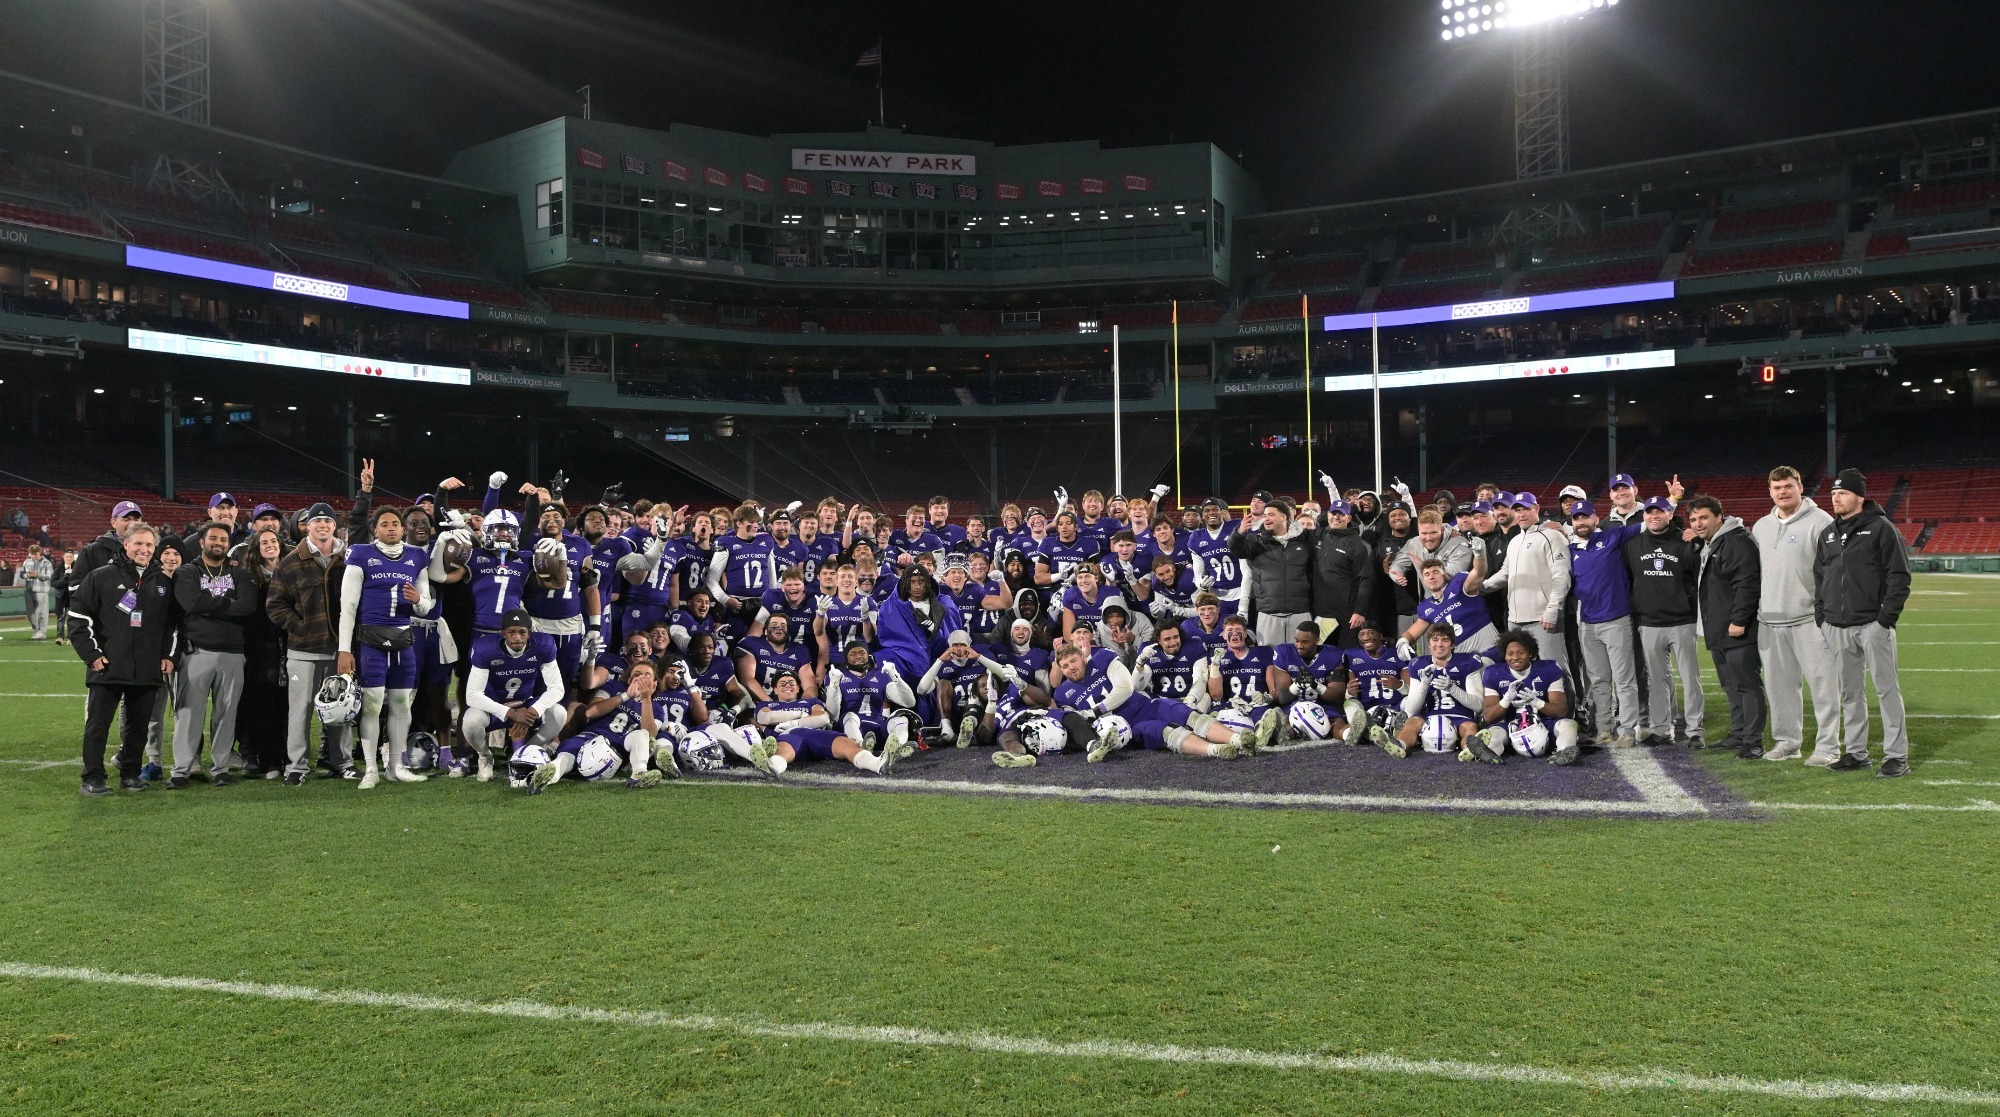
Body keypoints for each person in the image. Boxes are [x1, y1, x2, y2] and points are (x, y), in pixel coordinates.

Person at [1813, 469, 1913, 778]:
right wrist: (1822, 615)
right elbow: (1820, 577)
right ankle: (1856, 753)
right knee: (1850, 693)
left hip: (1872, 624)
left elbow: (1899, 577)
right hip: (1836, 625)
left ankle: (1897, 756)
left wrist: (1885, 619)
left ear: (1860, 496)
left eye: (1842, 493)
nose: (1836, 498)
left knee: (1886, 690)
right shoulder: (1828, 533)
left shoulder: (1882, 529)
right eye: (1833, 494)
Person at [69, 522, 177, 796]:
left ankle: (130, 773)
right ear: (125, 545)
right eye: (138, 543)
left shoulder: (163, 582)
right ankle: (92, 778)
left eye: (149, 545)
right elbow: (79, 618)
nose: (144, 549)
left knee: (138, 727)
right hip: (108, 666)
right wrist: (92, 655)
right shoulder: (100, 576)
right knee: (97, 726)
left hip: (146, 668)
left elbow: (171, 626)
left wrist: (167, 655)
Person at [338, 505, 435, 789]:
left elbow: (426, 606)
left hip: (404, 639)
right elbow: (348, 607)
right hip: (371, 640)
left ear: (403, 528)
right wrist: (345, 649)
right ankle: (370, 768)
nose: (390, 527)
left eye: (395, 523)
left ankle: (395, 765)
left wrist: (417, 599)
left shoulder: (417, 556)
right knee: (371, 705)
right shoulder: (362, 554)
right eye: (384, 524)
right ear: (375, 530)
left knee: (401, 704)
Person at [1751, 466, 1841, 765]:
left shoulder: (1822, 522)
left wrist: (1826, 612)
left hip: (1810, 620)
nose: (1782, 492)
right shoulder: (1761, 526)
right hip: (1770, 621)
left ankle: (1828, 747)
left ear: (1800, 486)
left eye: (1788, 486)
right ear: (1770, 491)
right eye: (1777, 488)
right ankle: (1787, 743)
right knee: (1779, 690)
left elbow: (1834, 571)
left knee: (1824, 686)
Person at [266, 502, 352, 784]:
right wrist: (300, 627)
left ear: (334, 526)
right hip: (302, 650)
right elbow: (275, 605)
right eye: (317, 521)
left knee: (341, 708)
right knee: (300, 711)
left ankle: (342, 763)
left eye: (328, 520)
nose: (323, 525)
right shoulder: (290, 562)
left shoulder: (349, 558)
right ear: (308, 526)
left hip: (339, 649)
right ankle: (297, 767)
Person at [170, 521, 256, 788]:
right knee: (188, 715)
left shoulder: (240, 573)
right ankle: (181, 771)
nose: (218, 543)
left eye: (223, 540)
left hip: (232, 653)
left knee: (227, 713)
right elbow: (191, 602)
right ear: (202, 542)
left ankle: (220, 769)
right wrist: (227, 602)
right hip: (196, 651)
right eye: (214, 539)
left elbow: (248, 606)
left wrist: (209, 606)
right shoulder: (187, 571)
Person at [1685, 495, 1766, 759]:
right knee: (1731, 685)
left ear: (1720, 517)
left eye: (1704, 517)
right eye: (1694, 519)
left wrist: (1739, 620)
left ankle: (1753, 740)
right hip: (1719, 627)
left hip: (1736, 628)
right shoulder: (1712, 543)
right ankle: (1739, 733)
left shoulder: (1735, 541)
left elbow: (1747, 584)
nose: (1698, 524)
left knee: (1746, 684)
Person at [1566, 499, 1649, 748]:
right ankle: (1604, 729)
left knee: (1624, 679)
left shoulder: (1612, 536)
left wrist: (1674, 501)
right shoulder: (1570, 549)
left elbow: (1648, 523)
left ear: (1595, 518)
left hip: (1616, 619)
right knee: (1599, 680)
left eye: (1585, 517)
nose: (1581, 522)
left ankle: (1627, 731)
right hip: (1587, 623)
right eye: (1576, 518)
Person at [1624, 496, 1705, 746]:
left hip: (1682, 620)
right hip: (1649, 622)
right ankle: (1661, 729)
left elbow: (1697, 577)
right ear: (1644, 515)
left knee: (1690, 679)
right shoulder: (1633, 545)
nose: (1654, 516)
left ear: (1670, 514)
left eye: (1660, 511)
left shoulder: (1686, 541)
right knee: (1656, 681)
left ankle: (1694, 731)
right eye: (1649, 512)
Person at [1481, 492, 1573, 680]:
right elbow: (1505, 574)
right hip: (1515, 619)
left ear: (1537, 509)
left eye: (1526, 509)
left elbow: (1562, 575)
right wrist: (1479, 587)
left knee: (1556, 670)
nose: (1521, 514)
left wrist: (1553, 609)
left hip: (1542, 617)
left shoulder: (1552, 536)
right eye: (1517, 510)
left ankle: (1570, 709)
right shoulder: (1515, 541)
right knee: (1524, 673)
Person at [1473, 628, 1582, 765]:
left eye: (1521, 653)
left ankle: (1564, 752)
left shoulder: (1548, 669)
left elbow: (1561, 711)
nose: (1515, 657)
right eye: (1510, 653)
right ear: (1505, 656)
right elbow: (1489, 716)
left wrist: (1536, 702)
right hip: (1512, 728)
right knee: (1494, 731)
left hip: (1544, 725)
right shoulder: (1493, 673)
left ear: (1530, 654)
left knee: (1568, 724)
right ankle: (1490, 754)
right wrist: (1506, 699)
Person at [237, 527, 289, 778]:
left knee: (288, 706)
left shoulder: (290, 571)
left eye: (273, 541)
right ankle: (270, 762)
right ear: (256, 549)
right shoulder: (251, 578)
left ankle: (289, 757)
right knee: (266, 707)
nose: (270, 545)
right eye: (264, 542)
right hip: (261, 651)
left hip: (289, 647)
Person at [1229, 496, 1314, 647]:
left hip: (1300, 611)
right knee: (1271, 658)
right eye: (1265, 515)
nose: (1266, 519)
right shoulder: (1257, 541)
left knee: (1301, 659)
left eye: (1271, 515)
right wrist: (1239, 533)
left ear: (1284, 516)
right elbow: (1237, 550)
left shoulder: (1305, 540)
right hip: (1269, 612)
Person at [1309, 480, 1374, 649]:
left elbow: (1365, 580)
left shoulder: (1357, 545)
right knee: (1324, 656)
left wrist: (1360, 611)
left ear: (1349, 517)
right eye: (1333, 513)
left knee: (1346, 655)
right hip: (1322, 613)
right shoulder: (1319, 535)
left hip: (1346, 614)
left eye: (1341, 514)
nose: (1336, 516)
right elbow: (1319, 520)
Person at [20, 543, 54, 639]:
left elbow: (50, 576)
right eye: (32, 553)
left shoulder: (47, 563)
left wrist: (38, 575)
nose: (34, 556)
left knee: (41, 612)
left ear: (39, 552)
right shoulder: (26, 561)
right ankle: (35, 630)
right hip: (29, 590)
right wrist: (28, 575)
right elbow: (21, 574)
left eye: (35, 553)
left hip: (41, 590)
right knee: (31, 613)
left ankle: (42, 631)